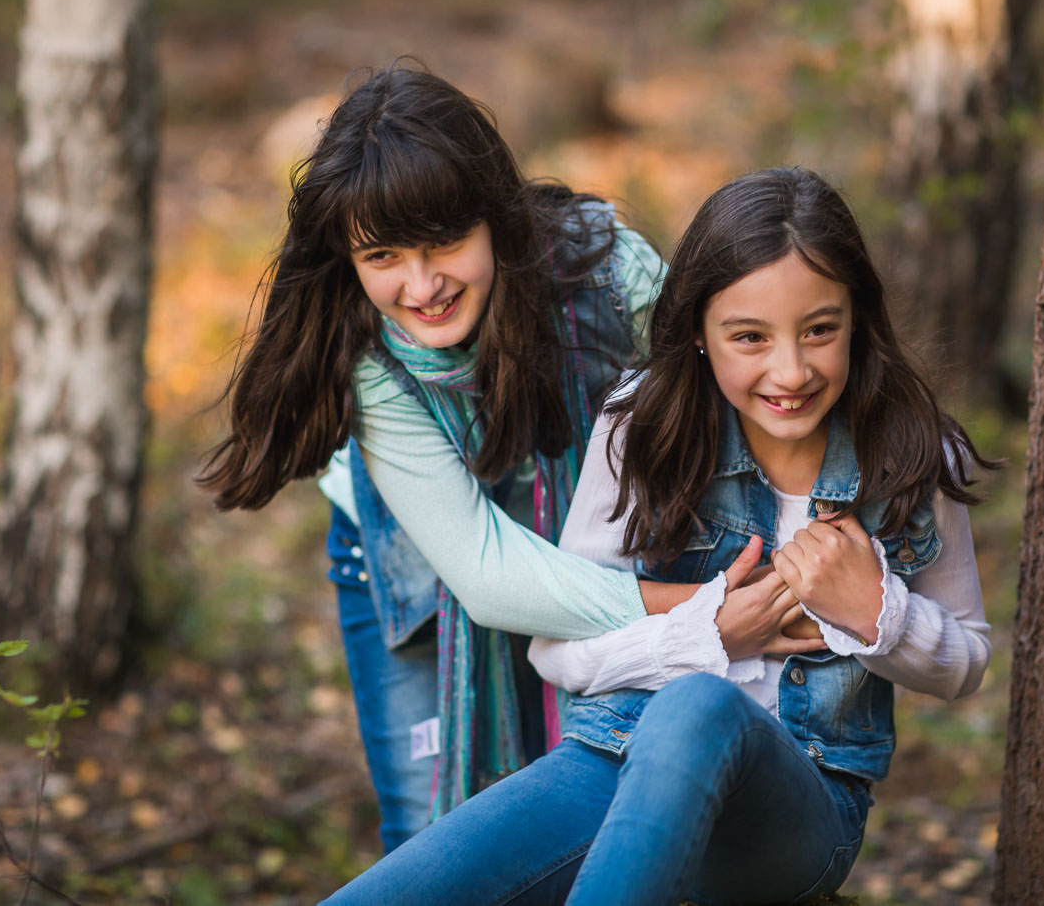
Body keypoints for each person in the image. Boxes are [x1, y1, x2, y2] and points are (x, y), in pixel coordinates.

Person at [318, 166, 998, 906]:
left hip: (797, 804)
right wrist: (706, 632)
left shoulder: (913, 454)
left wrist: (876, 608)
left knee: (697, 705)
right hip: (613, 755)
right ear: (699, 334)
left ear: (858, 322)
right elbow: (557, 649)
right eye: (749, 337)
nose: (790, 369)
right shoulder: (643, 425)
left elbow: (966, 662)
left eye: (820, 330)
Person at [199, 63, 764, 852]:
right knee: (435, 840)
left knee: (598, 808)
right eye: (384, 256)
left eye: (444, 242)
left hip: (595, 548)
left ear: (494, 217)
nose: (422, 284)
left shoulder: (608, 273)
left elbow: (725, 417)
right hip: (420, 565)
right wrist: (700, 607)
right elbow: (489, 572)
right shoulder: (368, 354)